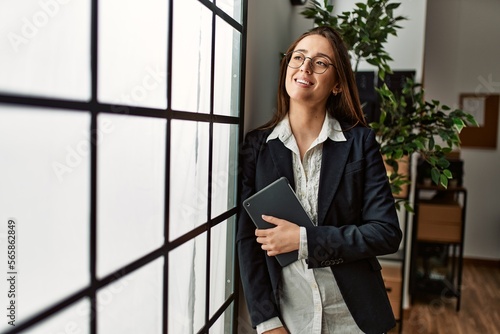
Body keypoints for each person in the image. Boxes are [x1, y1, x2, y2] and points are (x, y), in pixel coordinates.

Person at [237, 26, 402, 334]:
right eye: (297, 57)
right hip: (289, 319)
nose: (305, 67)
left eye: (320, 62)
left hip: (353, 319)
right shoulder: (256, 146)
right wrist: (266, 321)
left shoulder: (360, 143)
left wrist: (305, 241)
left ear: (337, 84)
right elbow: (248, 240)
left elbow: (386, 232)